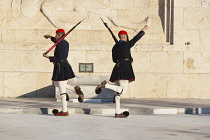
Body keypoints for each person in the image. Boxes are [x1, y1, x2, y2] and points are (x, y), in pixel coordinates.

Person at [96, 25, 149, 118]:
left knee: (118, 94)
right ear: (125, 37)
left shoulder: (114, 47)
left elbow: (114, 59)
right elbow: (136, 39)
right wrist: (143, 30)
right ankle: (106, 85)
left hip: (117, 68)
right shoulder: (127, 44)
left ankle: (117, 113)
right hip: (125, 68)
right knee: (123, 91)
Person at [43, 29, 84, 116]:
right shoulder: (64, 42)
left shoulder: (61, 44)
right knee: (56, 84)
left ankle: (64, 111)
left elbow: (58, 58)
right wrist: (50, 37)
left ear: (59, 35)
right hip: (62, 65)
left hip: (60, 66)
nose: (55, 36)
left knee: (62, 90)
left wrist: (48, 57)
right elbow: (56, 41)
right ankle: (75, 90)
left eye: (56, 35)